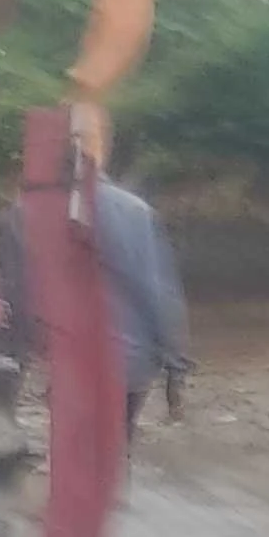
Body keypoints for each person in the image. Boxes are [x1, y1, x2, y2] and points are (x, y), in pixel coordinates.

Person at [93, 176, 192, 431]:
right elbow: (161, 293)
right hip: (129, 360)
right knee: (115, 444)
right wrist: (176, 368)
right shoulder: (135, 212)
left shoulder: (40, 207)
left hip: (71, 362)